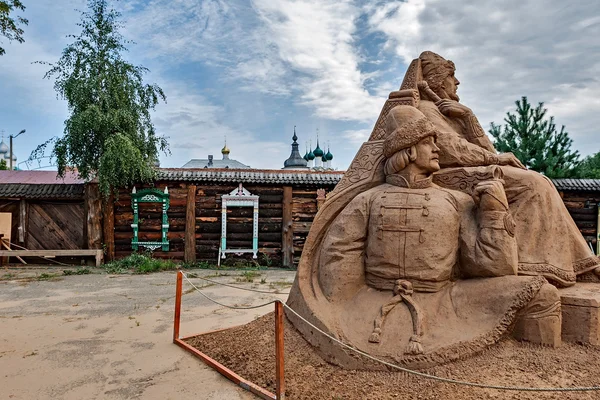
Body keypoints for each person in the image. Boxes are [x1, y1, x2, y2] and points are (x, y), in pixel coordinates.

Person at [288, 106, 561, 369]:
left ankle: (532, 370)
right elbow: (339, 257)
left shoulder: (456, 200)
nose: (437, 149)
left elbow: (495, 266)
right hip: (372, 301)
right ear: (408, 149)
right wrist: (344, 308)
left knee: (543, 296)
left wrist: (494, 210)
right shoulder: (366, 200)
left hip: (447, 299)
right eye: (429, 142)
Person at [407, 51, 599, 286]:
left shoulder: (449, 111)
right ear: (437, 79)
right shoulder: (427, 109)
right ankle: (527, 264)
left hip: (474, 171)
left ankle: (579, 263)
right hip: (447, 176)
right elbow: (449, 149)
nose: (457, 82)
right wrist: (494, 159)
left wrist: (469, 118)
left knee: (542, 181)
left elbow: (487, 149)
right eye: (451, 75)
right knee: (533, 184)